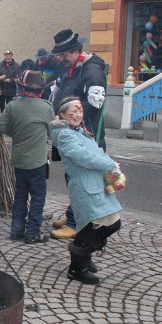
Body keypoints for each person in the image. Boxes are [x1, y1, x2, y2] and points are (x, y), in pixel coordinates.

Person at [52, 97, 122, 285]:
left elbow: (96, 152)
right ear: (63, 115)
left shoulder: (80, 131)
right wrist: (109, 163)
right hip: (85, 186)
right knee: (91, 226)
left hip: (96, 184)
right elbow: (83, 157)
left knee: (106, 224)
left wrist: (111, 165)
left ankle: (85, 255)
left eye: (80, 111)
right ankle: (76, 268)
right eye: (72, 112)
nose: (77, 115)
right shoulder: (65, 134)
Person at [49, 28, 108, 240]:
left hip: (86, 136)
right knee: (74, 178)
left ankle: (77, 223)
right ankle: (73, 215)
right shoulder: (73, 68)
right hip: (73, 134)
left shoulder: (91, 71)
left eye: (63, 54)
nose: (60, 58)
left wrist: (67, 119)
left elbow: (92, 104)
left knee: (83, 181)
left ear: (75, 51)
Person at [0, 70, 54, 244]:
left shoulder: (13, 105)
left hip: (19, 159)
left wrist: (17, 133)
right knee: (38, 196)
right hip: (38, 160)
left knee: (20, 195)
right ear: (41, 91)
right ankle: (33, 233)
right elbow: (51, 132)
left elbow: (0, 124)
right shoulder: (46, 107)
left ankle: (16, 230)